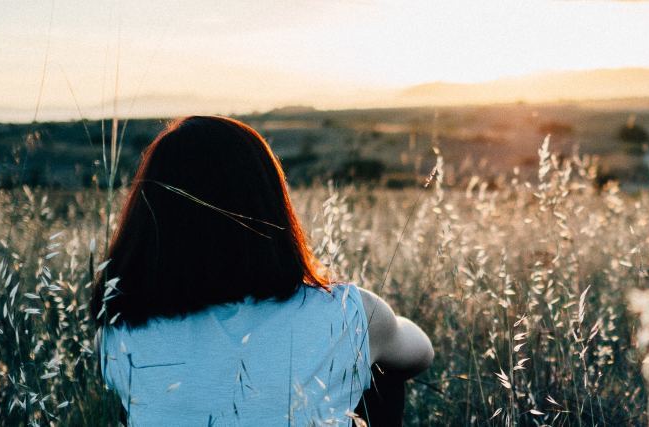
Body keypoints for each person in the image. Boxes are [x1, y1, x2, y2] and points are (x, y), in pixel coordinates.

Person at [90, 115, 432, 426]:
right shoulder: (349, 316)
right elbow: (420, 354)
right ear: (268, 204)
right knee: (381, 373)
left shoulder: (118, 333)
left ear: (150, 217)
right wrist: (379, 324)